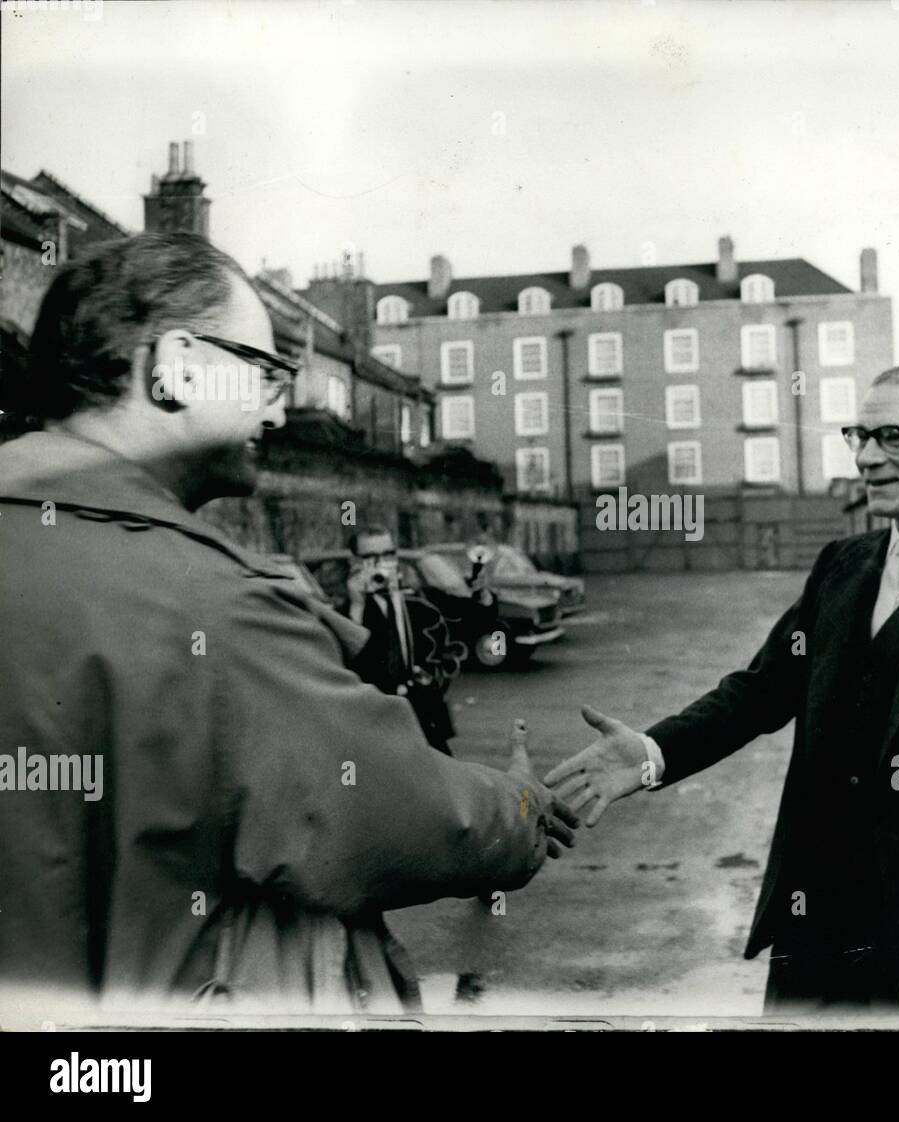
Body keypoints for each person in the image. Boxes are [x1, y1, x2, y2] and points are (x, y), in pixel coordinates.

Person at [0, 232, 576, 1014]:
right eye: (265, 371)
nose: (280, 403)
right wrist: (523, 805)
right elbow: (408, 820)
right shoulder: (211, 606)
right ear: (175, 368)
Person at [547, 364, 899, 1014]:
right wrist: (655, 754)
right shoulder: (841, 568)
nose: (868, 456)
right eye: (861, 435)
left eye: (895, 436)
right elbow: (759, 692)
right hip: (815, 936)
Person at [343, 526, 464, 756]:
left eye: (388, 555)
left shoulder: (418, 606)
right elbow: (348, 671)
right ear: (354, 562)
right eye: (370, 557)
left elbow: (449, 652)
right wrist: (356, 607)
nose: (381, 564)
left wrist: (431, 678)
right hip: (375, 730)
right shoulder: (347, 615)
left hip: (425, 724)